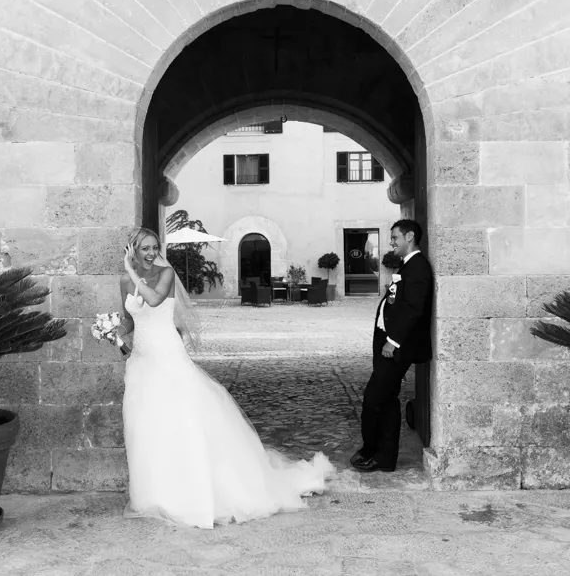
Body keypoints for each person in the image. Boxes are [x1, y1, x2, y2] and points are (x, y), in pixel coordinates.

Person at [114, 227, 335, 528]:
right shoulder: (126, 282)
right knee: (148, 424)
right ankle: (157, 493)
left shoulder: (165, 274)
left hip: (167, 356)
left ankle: (194, 495)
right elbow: (131, 319)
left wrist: (130, 268)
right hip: (142, 361)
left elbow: (152, 301)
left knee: (183, 420)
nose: (151, 253)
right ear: (134, 250)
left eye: (154, 247)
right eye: (145, 249)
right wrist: (115, 333)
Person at [351, 219, 433, 473]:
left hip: (395, 346)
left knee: (374, 399)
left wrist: (393, 341)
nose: (391, 242)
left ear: (409, 237)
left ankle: (372, 451)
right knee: (385, 401)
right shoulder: (407, 266)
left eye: (395, 237)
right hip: (386, 342)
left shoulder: (418, 267)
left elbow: (413, 309)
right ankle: (382, 458)